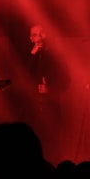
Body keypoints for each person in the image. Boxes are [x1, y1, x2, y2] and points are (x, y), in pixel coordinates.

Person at [23, 24, 70, 159]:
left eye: (42, 34)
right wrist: (32, 55)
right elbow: (20, 76)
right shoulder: (27, 56)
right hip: (31, 108)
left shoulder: (57, 57)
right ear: (31, 38)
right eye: (35, 35)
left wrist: (51, 88)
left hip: (52, 107)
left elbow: (66, 81)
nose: (39, 38)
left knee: (52, 144)